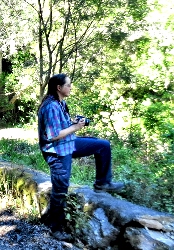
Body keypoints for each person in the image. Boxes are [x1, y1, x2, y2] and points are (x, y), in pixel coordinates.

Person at [38, 73, 124, 241]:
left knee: (102, 145)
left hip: (68, 143)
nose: (70, 87)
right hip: (56, 151)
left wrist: (75, 122)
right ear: (59, 87)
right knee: (60, 189)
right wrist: (76, 127)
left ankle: (102, 183)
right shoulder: (51, 107)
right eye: (68, 85)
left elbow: (62, 126)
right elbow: (54, 135)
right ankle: (55, 228)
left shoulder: (60, 103)